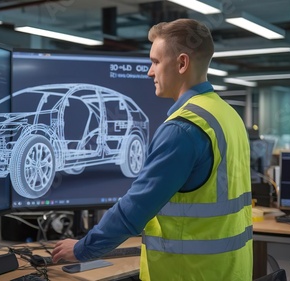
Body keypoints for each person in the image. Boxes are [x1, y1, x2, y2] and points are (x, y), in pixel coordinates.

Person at [52, 19, 253, 281]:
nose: (149, 72)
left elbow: (134, 209)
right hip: (229, 270)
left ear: (182, 63)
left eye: (156, 61)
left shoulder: (183, 130)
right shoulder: (228, 116)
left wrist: (82, 249)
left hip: (188, 273)